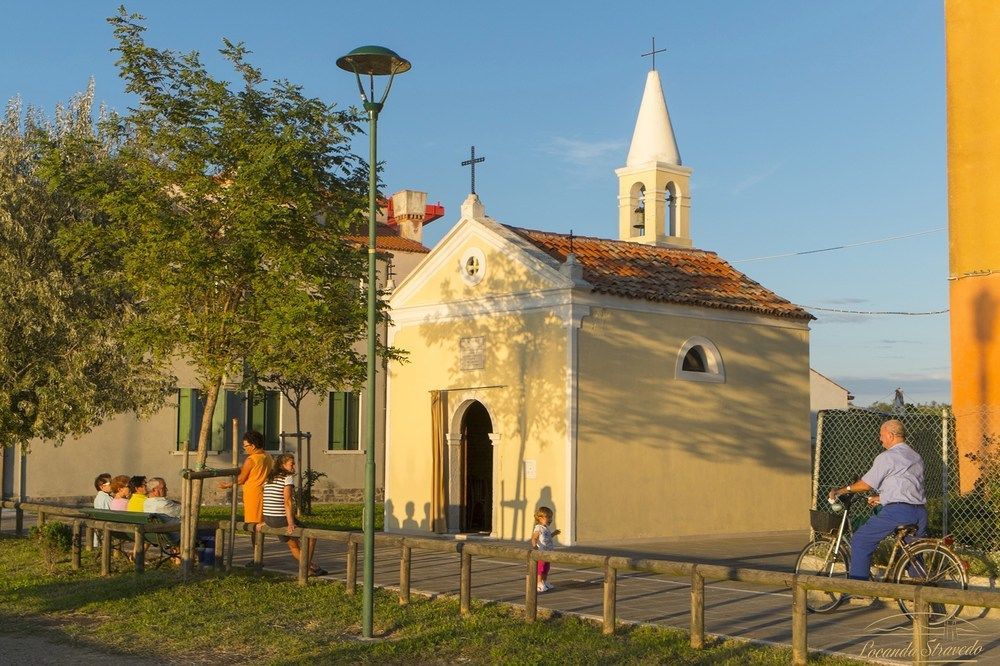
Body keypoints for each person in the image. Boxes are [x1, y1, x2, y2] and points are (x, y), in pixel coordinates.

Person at [828, 419, 927, 581]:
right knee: (912, 552)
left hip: (898, 512)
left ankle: (858, 586)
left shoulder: (887, 457)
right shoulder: (916, 457)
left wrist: (841, 490)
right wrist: (882, 498)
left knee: (860, 540)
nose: (880, 440)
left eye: (881, 435)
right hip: (919, 512)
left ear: (890, 435)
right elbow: (906, 486)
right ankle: (923, 589)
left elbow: (866, 485)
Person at [262, 454, 327, 576]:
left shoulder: (269, 478)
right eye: (291, 463)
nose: (294, 466)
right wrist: (290, 522)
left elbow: (267, 498)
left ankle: (311, 567)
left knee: (293, 545)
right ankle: (306, 569)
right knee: (311, 537)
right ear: (283, 465)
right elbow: (287, 501)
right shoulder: (287, 477)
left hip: (269, 518)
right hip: (281, 518)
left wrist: (265, 520)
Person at [219, 430, 272, 527]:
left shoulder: (251, 460)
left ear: (253, 446)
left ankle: (255, 543)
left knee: (253, 524)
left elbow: (241, 479)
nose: (244, 448)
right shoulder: (267, 455)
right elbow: (249, 469)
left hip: (253, 494)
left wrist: (227, 485)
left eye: (245, 446)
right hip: (264, 492)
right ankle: (257, 542)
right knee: (261, 524)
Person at [531, 506, 561, 592]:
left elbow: (547, 538)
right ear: (540, 518)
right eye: (548, 517)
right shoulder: (538, 527)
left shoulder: (546, 528)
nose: (550, 519)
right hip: (541, 552)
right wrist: (534, 545)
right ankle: (539, 583)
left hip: (548, 552)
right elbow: (534, 537)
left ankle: (544, 581)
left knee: (547, 568)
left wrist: (554, 534)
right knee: (541, 568)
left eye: (551, 517)